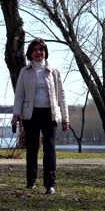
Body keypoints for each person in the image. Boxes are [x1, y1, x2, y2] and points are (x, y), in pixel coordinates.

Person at [11, 38, 69, 195]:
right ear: (30, 53)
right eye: (35, 49)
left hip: (50, 114)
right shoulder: (25, 72)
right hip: (31, 114)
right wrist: (16, 115)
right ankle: (31, 181)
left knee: (50, 149)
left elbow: (61, 95)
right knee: (32, 148)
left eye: (41, 50)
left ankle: (50, 183)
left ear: (45, 53)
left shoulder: (54, 71)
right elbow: (19, 96)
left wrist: (65, 118)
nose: (38, 52)